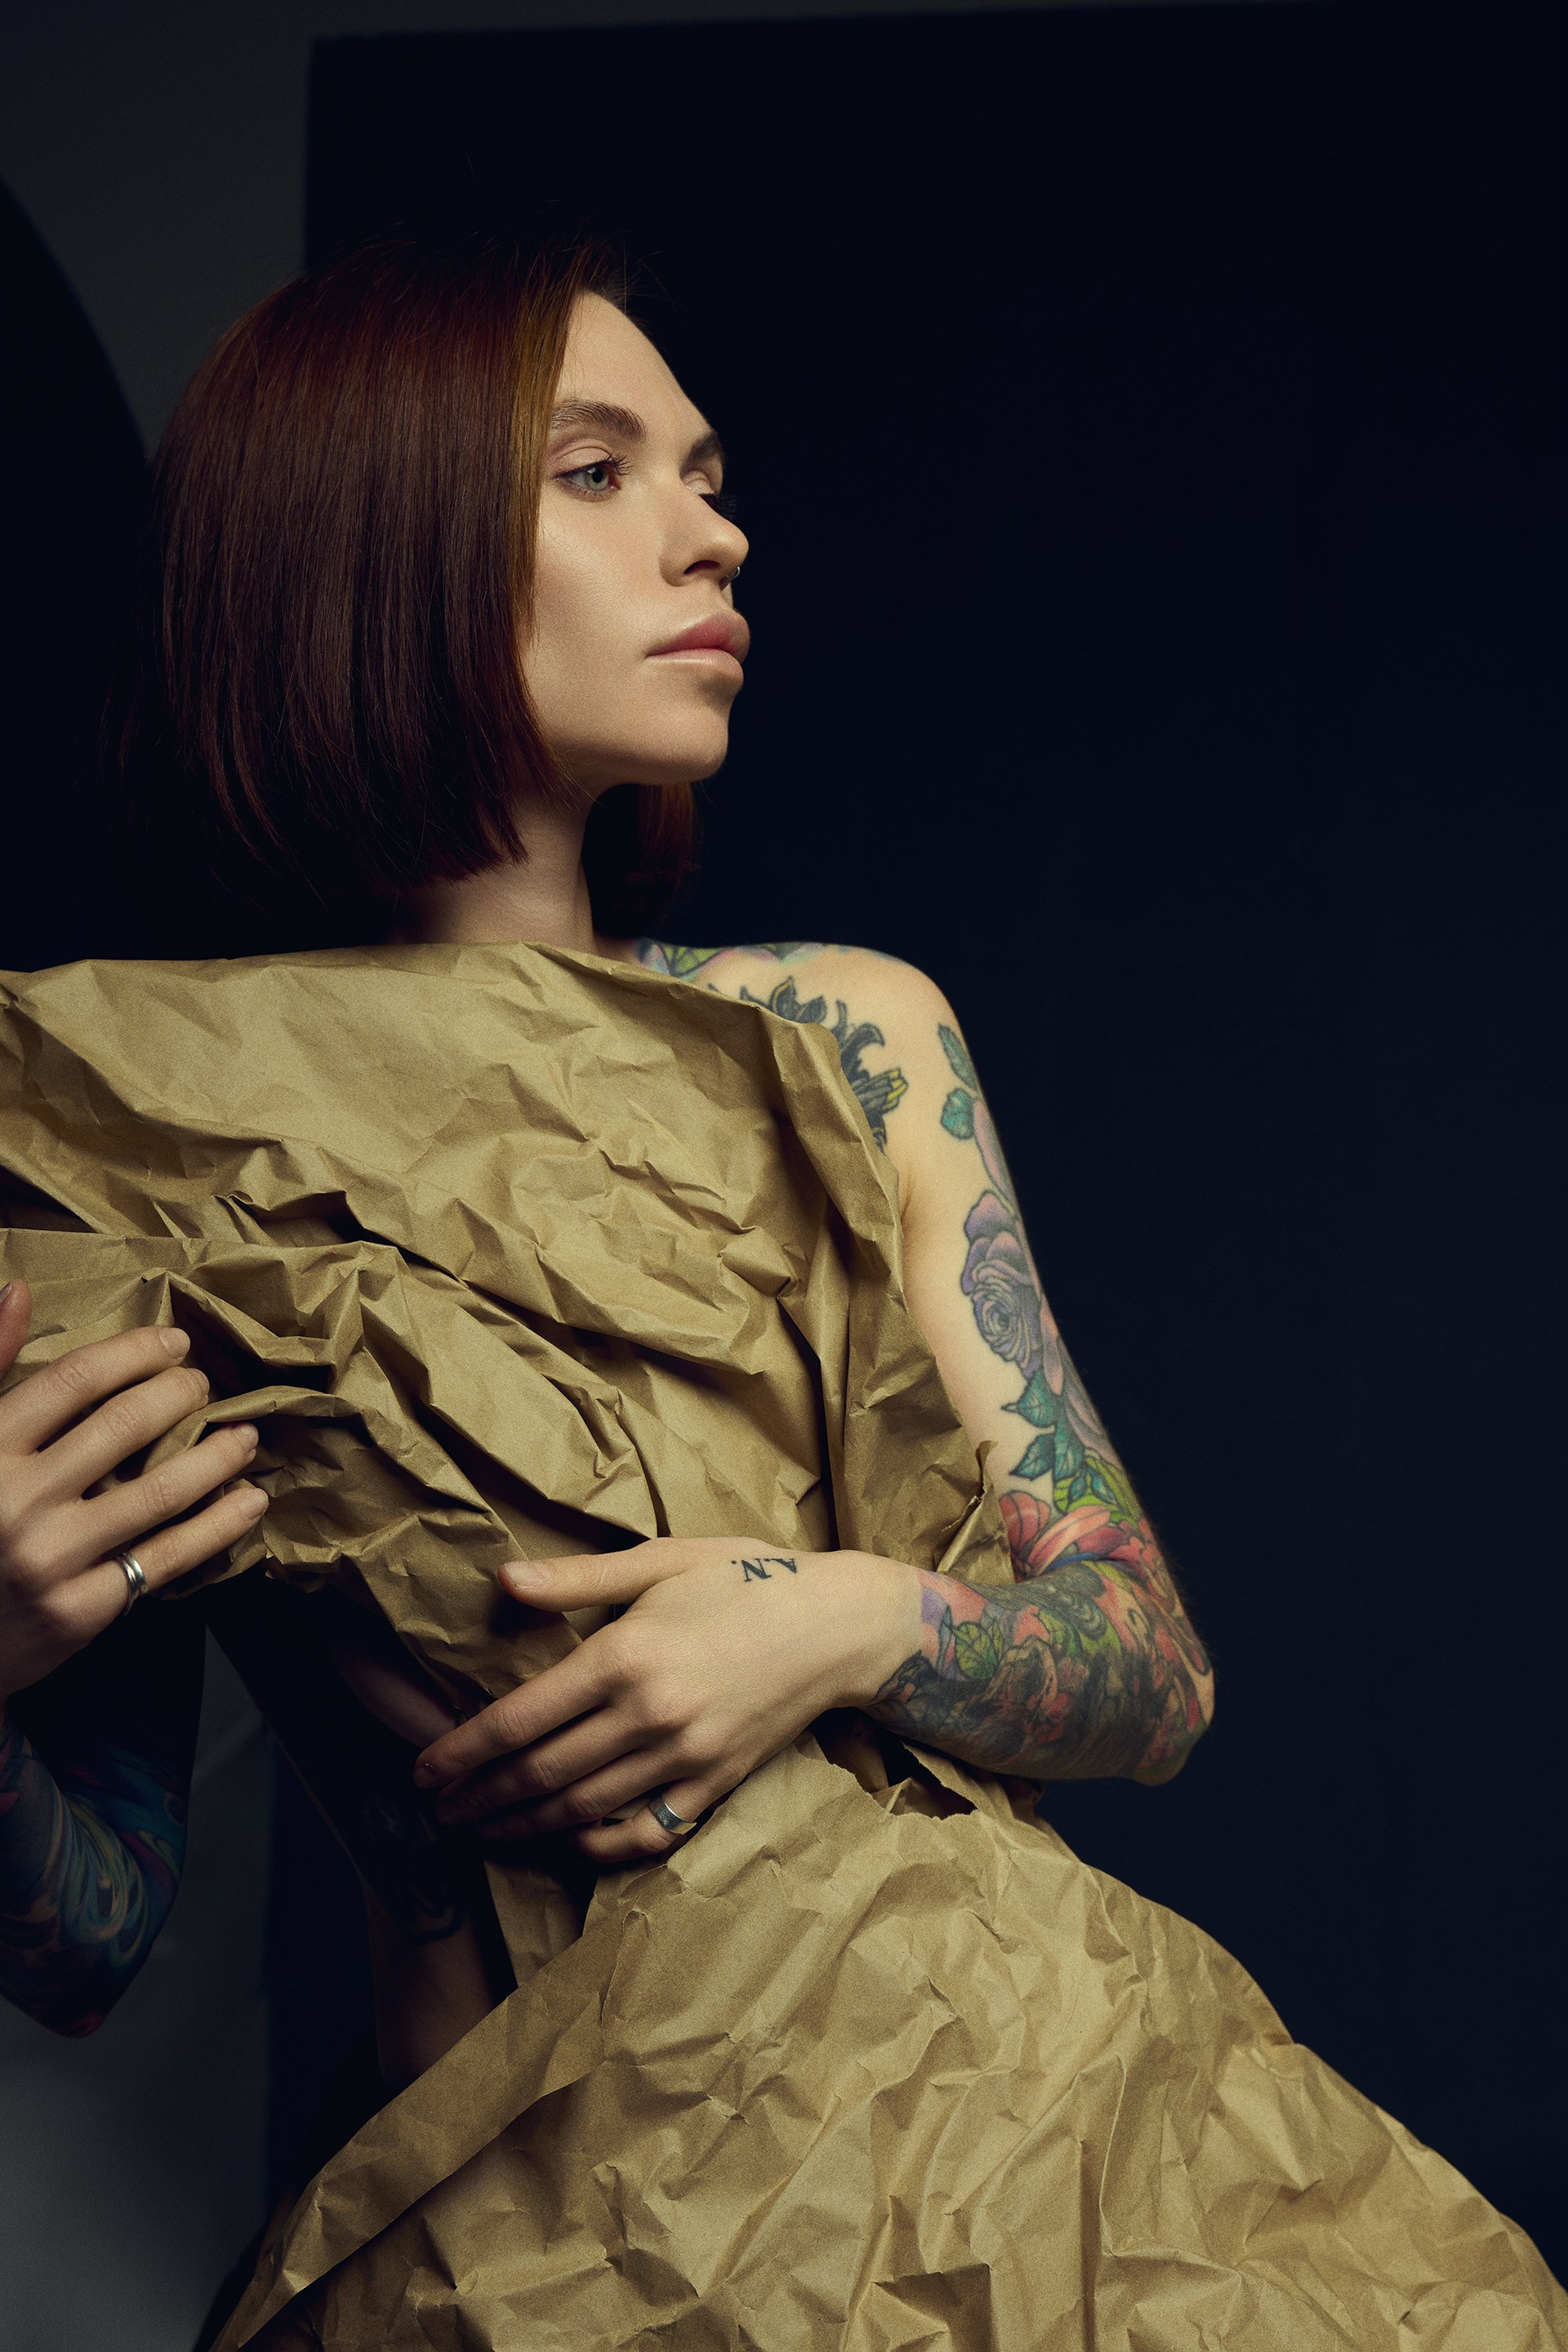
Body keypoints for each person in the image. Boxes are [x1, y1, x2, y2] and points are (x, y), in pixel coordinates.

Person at [0, 241, 1559, 2350]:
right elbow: (90, 1933)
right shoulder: (112, 1118)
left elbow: (1147, 1664)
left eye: (708, 473)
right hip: (520, 2246)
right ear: (364, 533)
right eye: (597, 473)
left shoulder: (840, 1034)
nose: (712, 530)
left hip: (1022, 2164)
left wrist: (829, 1622)